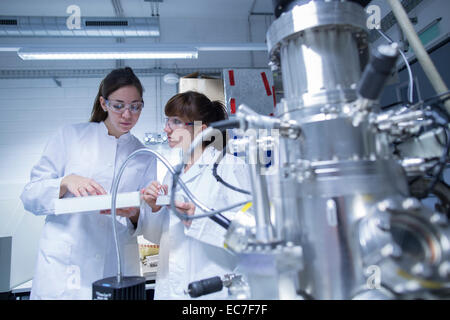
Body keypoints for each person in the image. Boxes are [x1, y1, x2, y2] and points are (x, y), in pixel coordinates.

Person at [20, 67, 156, 300]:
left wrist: (134, 214)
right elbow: (30, 196)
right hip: (66, 268)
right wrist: (65, 182)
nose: (127, 114)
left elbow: (148, 219)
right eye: (118, 105)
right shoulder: (69, 137)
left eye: (135, 106)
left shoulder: (143, 155)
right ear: (103, 103)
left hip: (116, 266)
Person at [141, 91, 251, 299]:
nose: (166, 128)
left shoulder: (229, 167)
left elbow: (249, 233)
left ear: (201, 129)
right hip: (170, 287)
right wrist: (152, 208)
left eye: (176, 122)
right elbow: (156, 238)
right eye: (167, 121)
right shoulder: (171, 174)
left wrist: (198, 221)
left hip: (210, 286)